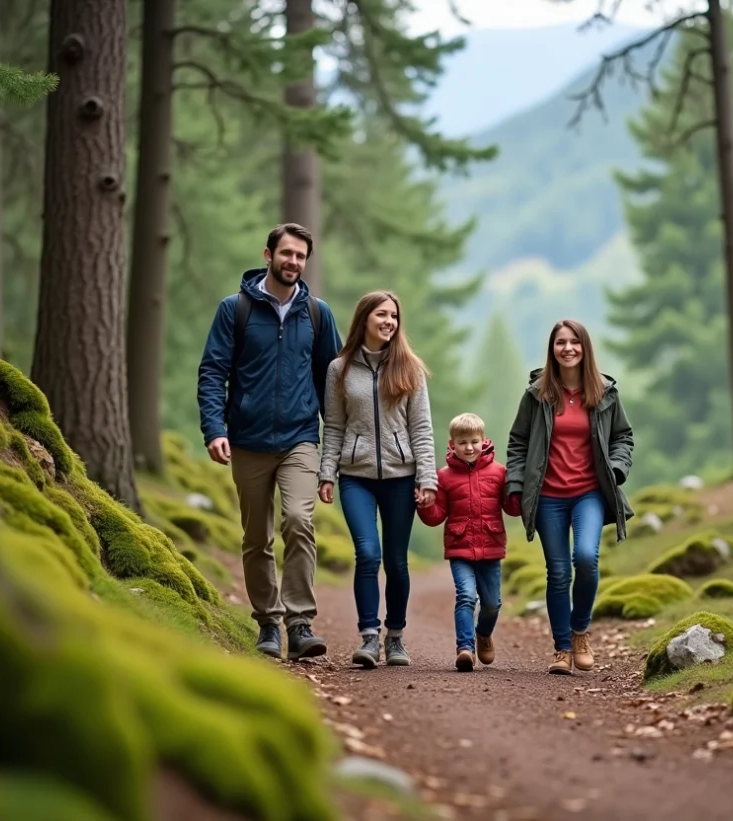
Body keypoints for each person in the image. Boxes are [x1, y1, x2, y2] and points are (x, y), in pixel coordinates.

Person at [197, 223, 342, 661]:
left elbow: (331, 381)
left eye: (301, 256)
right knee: (256, 536)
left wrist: (332, 453)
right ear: (268, 254)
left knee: (299, 520)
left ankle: (299, 622)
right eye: (287, 254)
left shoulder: (317, 313)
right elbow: (212, 373)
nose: (294, 262)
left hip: (300, 438)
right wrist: (215, 429)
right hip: (246, 439)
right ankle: (267, 624)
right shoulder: (235, 309)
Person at [506, 319, 635, 675]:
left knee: (586, 558)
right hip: (548, 496)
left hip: (589, 493)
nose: (568, 348)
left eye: (574, 342)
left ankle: (580, 631)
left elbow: (623, 437)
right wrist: (516, 485)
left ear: (584, 348)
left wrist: (617, 468)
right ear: (552, 350)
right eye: (561, 342)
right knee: (558, 572)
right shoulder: (537, 394)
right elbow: (517, 442)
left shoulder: (605, 392)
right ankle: (562, 648)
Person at [318, 291, 438, 669]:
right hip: (356, 477)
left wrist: (427, 477)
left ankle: (396, 637)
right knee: (368, 554)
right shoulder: (339, 369)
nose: (389, 321)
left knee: (397, 562)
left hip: (402, 478)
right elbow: (334, 426)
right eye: (382, 314)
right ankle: (369, 637)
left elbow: (421, 429)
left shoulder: (410, 369)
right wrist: (326, 473)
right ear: (364, 318)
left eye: (394, 316)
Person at [417, 413, 522, 672]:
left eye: (474, 441)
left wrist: (520, 490)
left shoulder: (499, 472)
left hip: (491, 546)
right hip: (459, 547)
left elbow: (512, 509)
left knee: (492, 604)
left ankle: (483, 633)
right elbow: (435, 517)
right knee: (465, 596)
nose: (469, 447)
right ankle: (465, 648)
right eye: (463, 442)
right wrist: (423, 504)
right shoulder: (444, 477)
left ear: (484, 440)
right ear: (452, 444)